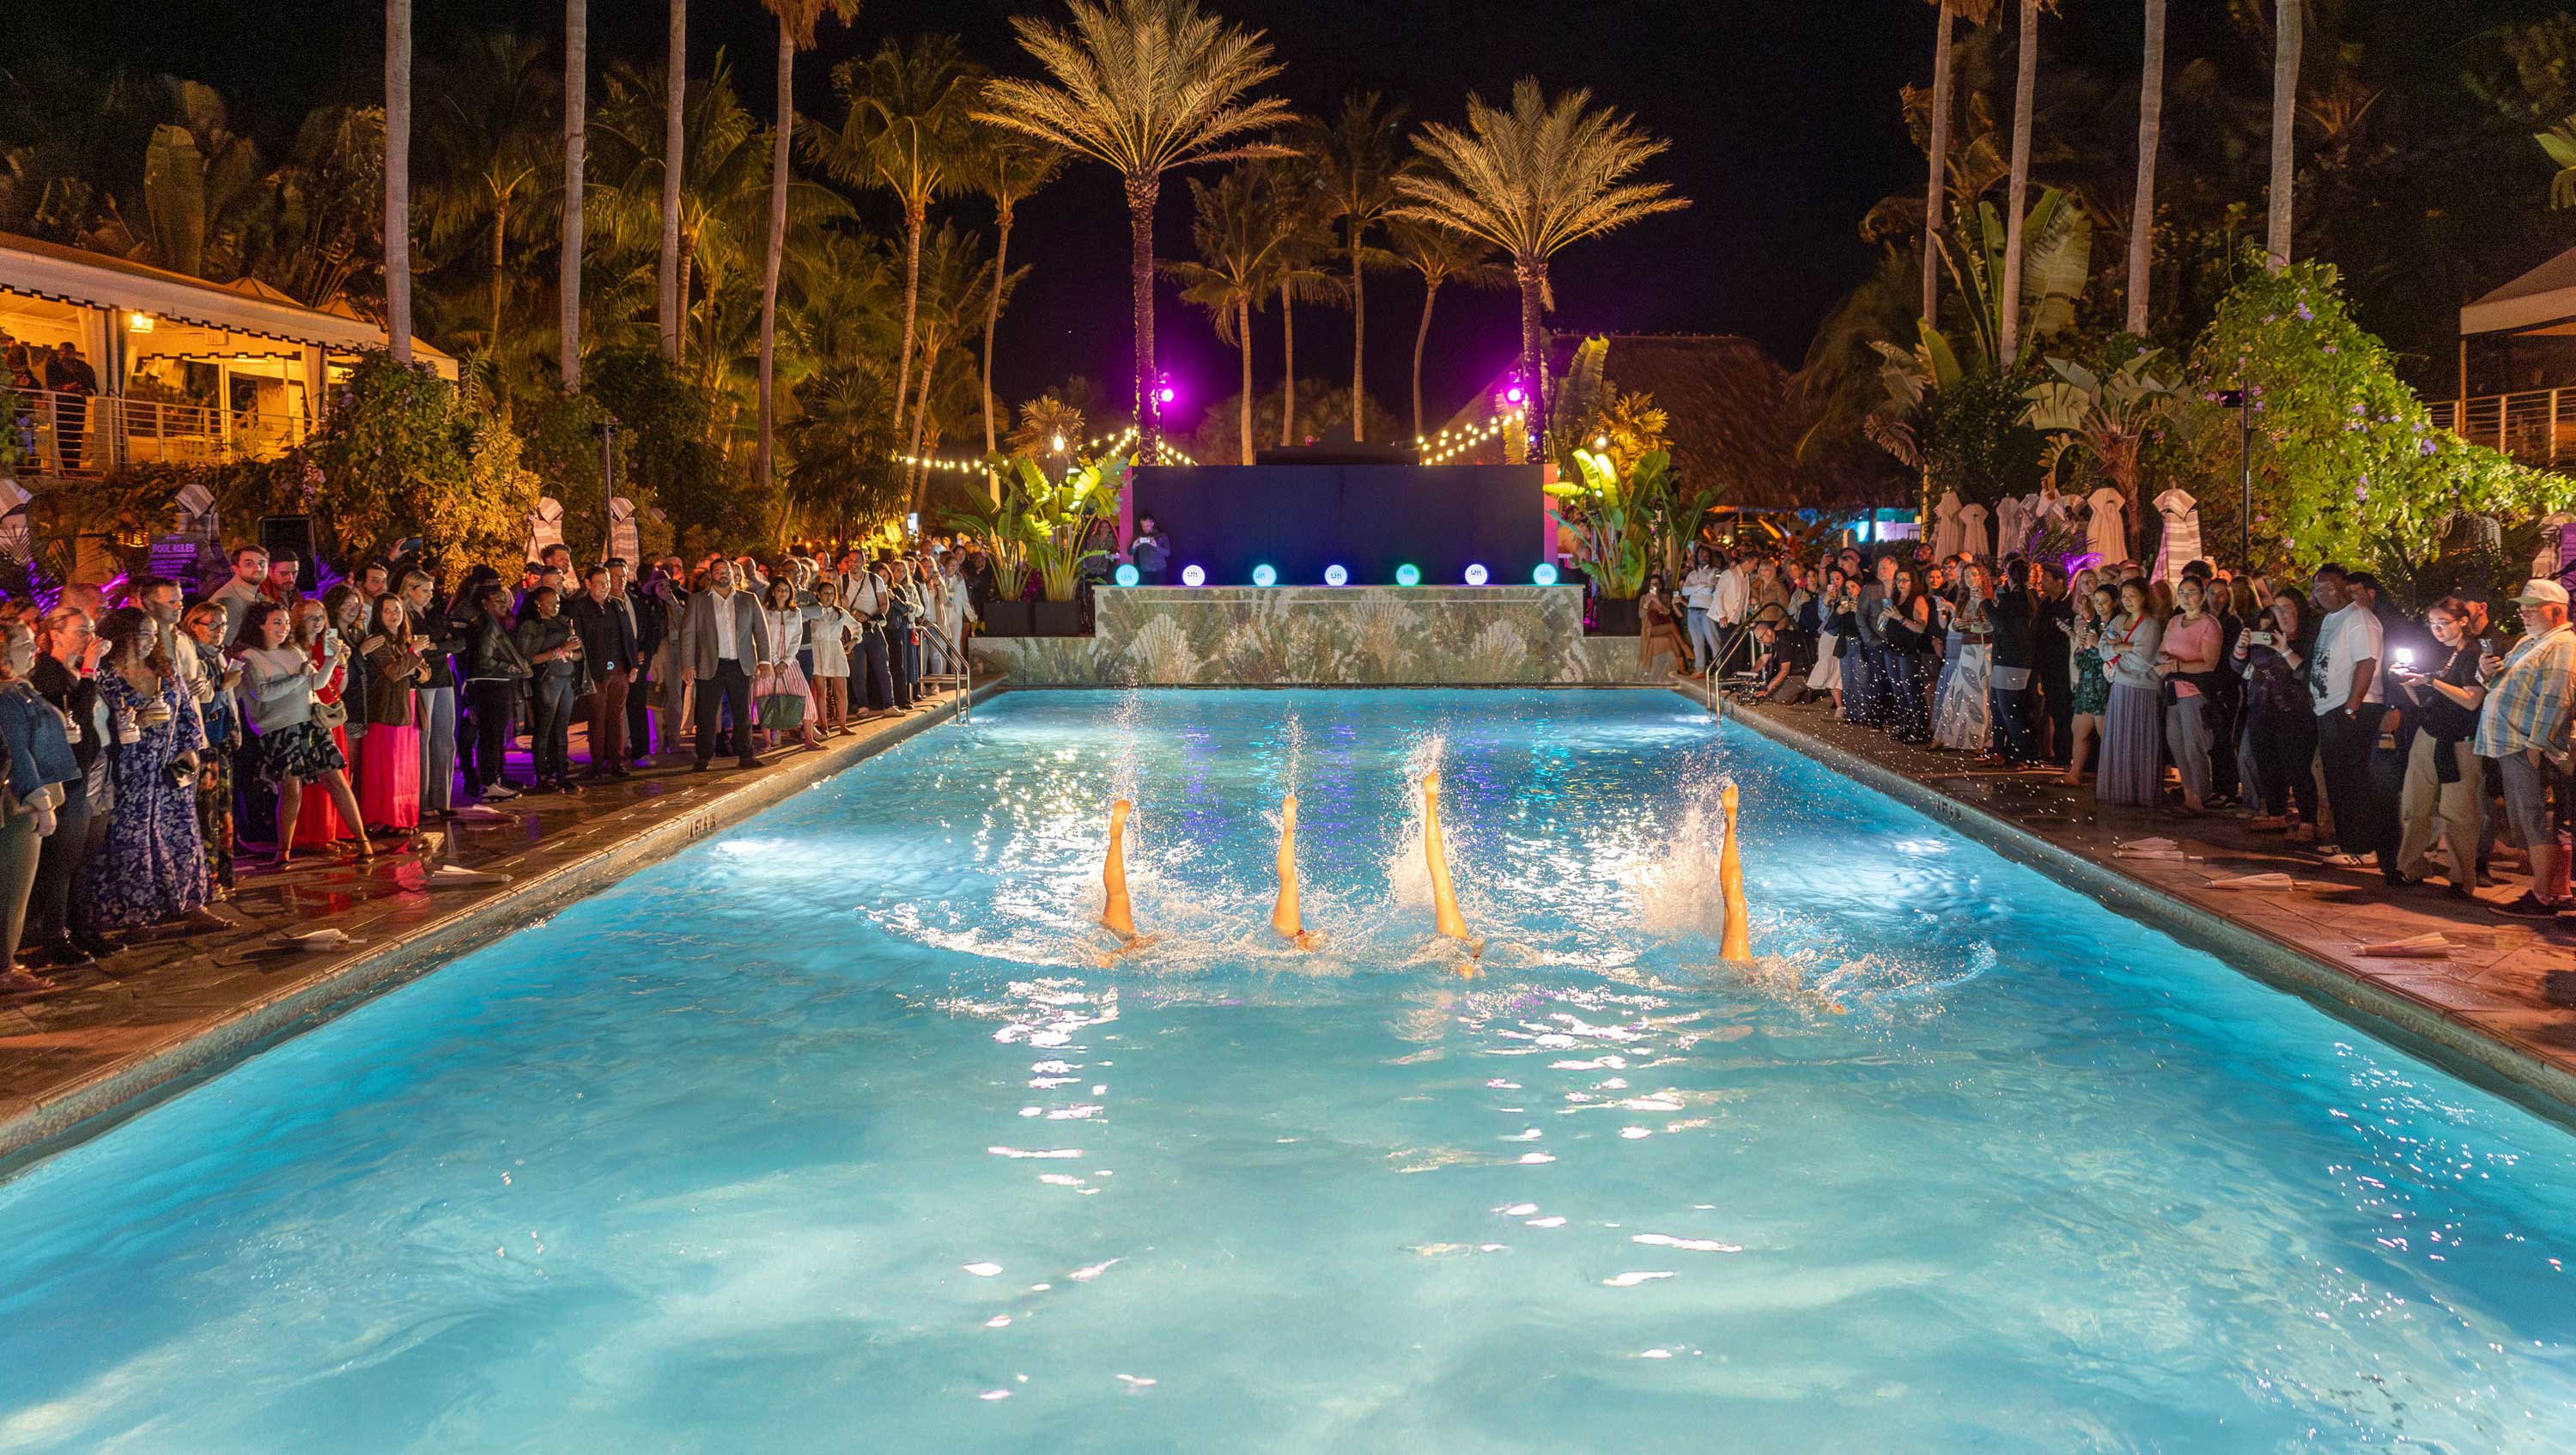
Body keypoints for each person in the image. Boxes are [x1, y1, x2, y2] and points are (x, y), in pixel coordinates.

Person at [82, 607, 211, 927]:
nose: (147, 641)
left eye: (153, 635)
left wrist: (190, 748)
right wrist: (136, 720)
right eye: (141, 634)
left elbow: (186, 713)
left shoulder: (164, 669)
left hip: (168, 768)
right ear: (121, 635)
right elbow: (95, 722)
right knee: (130, 840)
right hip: (128, 769)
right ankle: (131, 912)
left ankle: (187, 903)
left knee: (180, 833)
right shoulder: (105, 675)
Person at [234, 600, 367, 866]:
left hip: (309, 723)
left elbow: (316, 682)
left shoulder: (294, 651)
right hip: (279, 728)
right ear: (260, 625)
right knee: (291, 787)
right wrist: (300, 678)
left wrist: (331, 662)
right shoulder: (250, 657)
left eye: (285, 622)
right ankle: (283, 851)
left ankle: (363, 841)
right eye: (276, 623)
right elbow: (262, 693)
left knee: (336, 780)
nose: (283, 628)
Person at [2474, 580, 2576, 917]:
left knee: (2534, 820)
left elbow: (2556, 698)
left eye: (2533, 607)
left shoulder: (2561, 644)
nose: (2524, 612)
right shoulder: (2531, 642)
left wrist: (2535, 745)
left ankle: (2543, 897)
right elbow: (2502, 683)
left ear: (2557, 611)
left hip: (2526, 746)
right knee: (2530, 819)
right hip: (2513, 744)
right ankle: (2552, 893)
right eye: (2523, 606)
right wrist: (2484, 673)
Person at [28, 606, 112, 965]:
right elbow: (74, 715)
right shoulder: (48, 674)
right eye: (81, 631)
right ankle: (53, 935)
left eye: (91, 631)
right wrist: (91, 671)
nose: (89, 639)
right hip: (70, 775)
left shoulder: (79, 670)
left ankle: (82, 928)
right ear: (55, 635)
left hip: (96, 769)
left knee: (85, 856)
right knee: (63, 859)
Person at [2390, 597, 2486, 895]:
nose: (2437, 630)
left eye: (2443, 623)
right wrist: (2407, 681)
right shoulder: (2439, 652)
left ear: (2462, 622)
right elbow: (2424, 702)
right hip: (2428, 734)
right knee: (2413, 805)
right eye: (2432, 624)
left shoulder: (2473, 653)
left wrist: (2430, 681)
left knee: (2458, 813)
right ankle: (2410, 867)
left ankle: (2461, 878)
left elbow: (2471, 700)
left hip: (2460, 743)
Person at [0, 618, 76, 989]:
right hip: (19, 806)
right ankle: (4, 967)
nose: (34, 651)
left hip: (23, 801)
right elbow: (18, 752)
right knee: (13, 886)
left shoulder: (18, 689)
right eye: (25, 645)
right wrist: (42, 803)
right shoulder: (7, 695)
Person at [2309, 567, 2389, 868]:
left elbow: (2367, 662)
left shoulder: (2360, 619)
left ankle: (2363, 846)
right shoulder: (2332, 619)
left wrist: (2352, 706)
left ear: (2338, 588)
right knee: (2337, 779)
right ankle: (2346, 839)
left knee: (2353, 779)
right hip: (2329, 707)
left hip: (2353, 707)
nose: (2316, 594)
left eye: (2321, 588)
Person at [2237, 592, 2320, 839]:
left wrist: (2284, 650)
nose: (2282, 614)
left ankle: (2308, 821)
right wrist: (2241, 648)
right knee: (2267, 762)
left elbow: (2307, 672)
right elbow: (2242, 668)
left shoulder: (2310, 638)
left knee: (2297, 765)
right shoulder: (2265, 636)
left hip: (2296, 710)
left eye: (2288, 608)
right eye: (2278, 608)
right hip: (2262, 707)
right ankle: (2276, 813)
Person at [678, 561, 769, 770]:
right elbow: (688, 634)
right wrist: (688, 664)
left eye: (726, 571)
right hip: (710, 664)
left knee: (742, 713)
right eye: (718, 572)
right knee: (706, 714)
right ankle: (703, 757)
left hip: (740, 664)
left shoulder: (748, 599)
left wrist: (764, 660)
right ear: (711, 576)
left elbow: (761, 632)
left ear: (733, 574)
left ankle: (745, 754)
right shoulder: (698, 600)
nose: (723, 575)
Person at [179, 599, 240, 894]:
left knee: (222, 810)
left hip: (221, 740)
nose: (219, 631)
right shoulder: (193, 658)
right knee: (207, 812)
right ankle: (207, 876)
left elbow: (227, 701)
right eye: (212, 624)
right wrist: (223, 687)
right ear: (194, 625)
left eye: (223, 625)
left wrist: (235, 725)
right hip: (204, 745)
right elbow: (202, 705)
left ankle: (220, 873)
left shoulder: (218, 656)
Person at [289, 598, 359, 851]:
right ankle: (313, 836)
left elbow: (338, 686)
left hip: (331, 713)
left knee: (337, 777)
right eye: (310, 617)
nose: (317, 622)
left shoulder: (326, 644)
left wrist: (342, 663)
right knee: (316, 782)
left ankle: (332, 831)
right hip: (308, 714)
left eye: (320, 617)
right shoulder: (294, 647)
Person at [2154, 575, 2225, 814]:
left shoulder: (2209, 624)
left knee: (2193, 744)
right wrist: (2165, 661)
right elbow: (2162, 650)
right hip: (2173, 690)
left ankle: (2200, 796)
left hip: (2194, 690)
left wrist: (2176, 666)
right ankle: (2188, 794)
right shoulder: (2174, 621)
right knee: (2175, 742)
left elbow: (2209, 663)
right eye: (2182, 592)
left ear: (2202, 595)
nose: (2186, 597)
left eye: (2191, 592)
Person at [358, 594, 427, 834]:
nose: (393, 615)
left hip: (407, 706)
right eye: (387, 610)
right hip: (387, 710)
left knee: (406, 768)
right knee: (387, 767)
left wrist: (414, 662)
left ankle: (404, 817)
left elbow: (424, 673)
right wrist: (413, 655)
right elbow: (394, 672)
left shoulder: (405, 639)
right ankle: (384, 818)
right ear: (378, 614)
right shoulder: (377, 641)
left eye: (396, 609)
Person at [2095, 579, 2166, 807]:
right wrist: (2123, 648)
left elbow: (2143, 660)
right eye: (2124, 596)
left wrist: (2116, 651)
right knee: (2119, 737)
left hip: (2141, 689)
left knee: (2136, 739)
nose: (2127, 600)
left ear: (2144, 597)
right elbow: (2102, 649)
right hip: (2120, 688)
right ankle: (2119, 788)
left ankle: (2139, 790)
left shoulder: (2151, 626)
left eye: (2132, 595)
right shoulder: (2118, 620)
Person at [400, 570, 462, 816]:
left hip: (442, 677)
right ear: (410, 589)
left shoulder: (435, 613)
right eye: (424, 590)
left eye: (431, 591)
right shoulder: (404, 615)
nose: (429, 595)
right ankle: (422, 803)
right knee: (423, 740)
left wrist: (435, 646)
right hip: (421, 679)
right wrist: (438, 646)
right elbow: (415, 649)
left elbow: (458, 643)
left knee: (445, 738)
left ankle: (442, 800)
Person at [567, 564, 637, 782]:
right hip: (596, 672)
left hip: (619, 669)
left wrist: (632, 664)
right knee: (597, 717)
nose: (605, 588)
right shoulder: (580, 608)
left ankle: (617, 761)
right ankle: (596, 763)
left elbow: (628, 636)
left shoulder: (616, 606)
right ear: (588, 584)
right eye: (600, 583)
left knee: (616, 716)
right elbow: (579, 640)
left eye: (607, 583)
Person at [463, 583, 532, 801]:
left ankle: (493, 781)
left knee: (494, 737)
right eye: (498, 600)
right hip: (490, 685)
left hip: (493, 684)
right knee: (491, 736)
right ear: (484, 603)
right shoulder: (486, 625)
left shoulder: (490, 624)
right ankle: (489, 783)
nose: (504, 604)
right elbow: (483, 660)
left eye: (505, 600)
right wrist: (508, 668)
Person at [514, 584, 585, 794]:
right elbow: (526, 659)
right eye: (551, 603)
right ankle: (542, 774)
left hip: (566, 679)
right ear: (538, 604)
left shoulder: (564, 622)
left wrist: (572, 652)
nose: (556, 606)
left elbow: (580, 654)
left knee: (561, 729)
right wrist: (558, 651)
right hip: (547, 680)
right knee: (544, 728)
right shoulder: (531, 626)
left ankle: (561, 773)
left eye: (558, 603)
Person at [755, 576, 823, 752]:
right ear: (773, 592)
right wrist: (775, 661)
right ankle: (768, 741)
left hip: (790, 662)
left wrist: (785, 662)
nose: (782, 593)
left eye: (786, 590)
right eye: (779, 589)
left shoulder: (796, 612)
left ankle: (808, 738)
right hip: (768, 662)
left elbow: (796, 638)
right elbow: (763, 638)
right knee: (766, 698)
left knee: (803, 696)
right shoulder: (765, 611)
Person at [1932, 562, 1993, 752]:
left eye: (1973, 575)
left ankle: (1979, 739)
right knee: (1958, 691)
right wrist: (1953, 622)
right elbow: (1952, 625)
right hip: (1966, 650)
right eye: (1966, 576)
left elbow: (1992, 626)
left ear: (1981, 577)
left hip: (1983, 650)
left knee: (1979, 694)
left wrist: (1971, 626)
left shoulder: (1989, 599)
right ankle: (1947, 735)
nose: (1969, 579)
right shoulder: (1964, 599)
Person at [1880, 564, 1936, 744]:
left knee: (1910, 689)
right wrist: (1885, 618)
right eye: (1898, 580)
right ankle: (1904, 725)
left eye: (1905, 580)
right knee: (1898, 690)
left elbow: (1920, 627)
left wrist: (1900, 618)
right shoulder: (1895, 598)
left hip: (1908, 650)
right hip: (1891, 648)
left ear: (1913, 582)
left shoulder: (1918, 599)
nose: (1901, 583)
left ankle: (1919, 728)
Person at [805, 579, 861, 734]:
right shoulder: (814, 612)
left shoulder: (840, 612)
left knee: (841, 690)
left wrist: (853, 642)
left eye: (831, 594)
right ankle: (824, 726)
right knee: (821, 690)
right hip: (818, 650)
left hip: (836, 650)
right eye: (825, 593)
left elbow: (856, 626)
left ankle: (843, 725)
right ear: (819, 595)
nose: (829, 597)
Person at [43, 342, 95, 472]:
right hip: (61, 406)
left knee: (75, 438)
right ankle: (67, 468)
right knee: (62, 438)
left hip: (76, 407)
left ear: (73, 353)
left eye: (67, 352)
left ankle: (73, 468)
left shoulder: (84, 368)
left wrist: (82, 390)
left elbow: (93, 389)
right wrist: (66, 388)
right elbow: (52, 385)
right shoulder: (53, 367)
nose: (64, 355)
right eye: (61, 352)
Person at [210, 545, 270, 648]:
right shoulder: (229, 601)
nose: (258, 568)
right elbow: (226, 648)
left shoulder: (256, 595)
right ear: (235, 569)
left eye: (262, 563)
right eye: (249, 564)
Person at [1638, 571, 1690, 676]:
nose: (1655, 586)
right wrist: (1647, 604)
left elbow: (1667, 612)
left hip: (1662, 625)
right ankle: (1685, 648)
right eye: (1652, 584)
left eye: (1657, 584)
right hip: (1650, 628)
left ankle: (1681, 667)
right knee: (1671, 627)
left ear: (1661, 585)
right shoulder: (1644, 597)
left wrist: (1658, 601)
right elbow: (1641, 615)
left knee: (1672, 638)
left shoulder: (1664, 597)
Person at [1130, 514, 1172, 585]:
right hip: (1145, 572)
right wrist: (1134, 546)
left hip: (1160, 572)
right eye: (1143, 526)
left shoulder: (1161, 535)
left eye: (1147, 526)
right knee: (1145, 595)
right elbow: (1130, 553)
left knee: (1159, 595)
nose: (1145, 528)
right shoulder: (1138, 536)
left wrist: (1156, 546)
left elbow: (1168, 553)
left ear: (1152, 524)